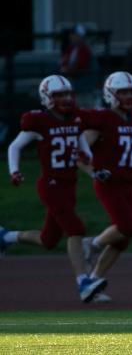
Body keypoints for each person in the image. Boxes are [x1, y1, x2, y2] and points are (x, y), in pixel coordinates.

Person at [1, 75, 105, 303]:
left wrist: (87, 155)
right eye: (59, 95)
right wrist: (14, 170)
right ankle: (83, 282)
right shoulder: (38, 121)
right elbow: (15, 146)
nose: (66, 99)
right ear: (47, 98)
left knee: (48, 240)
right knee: (76, 229)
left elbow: (80, 141)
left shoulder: (75, 118)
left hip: (69, 185)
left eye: (68, 94)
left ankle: (6, 236)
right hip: (50, 185)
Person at [79, 72, 132, 304]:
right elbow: (80, 154)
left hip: (129, 181)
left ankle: (94, 281)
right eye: (124, 92)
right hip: (108, 182)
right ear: (111, 94)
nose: (130, 96)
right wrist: (93, 172)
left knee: (123, 238)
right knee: (127, 226)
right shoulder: (102, 120)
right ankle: (92, 244)